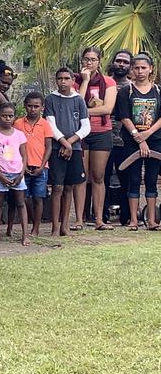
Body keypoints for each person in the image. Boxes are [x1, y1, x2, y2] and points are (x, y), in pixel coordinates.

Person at [114, 53, 161, 231]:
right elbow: (124, 116)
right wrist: (138, 137)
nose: (140, 71)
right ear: (131, 70)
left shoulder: (158, 91)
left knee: (151, 179)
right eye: (137, 68)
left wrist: (148, 133)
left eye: (144, 67)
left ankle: (151, 220)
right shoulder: (127, 91)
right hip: (131, 141)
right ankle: (134, 220)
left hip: (155, 140)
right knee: (133, 179)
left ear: (150, 69)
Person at [74, 46, 118, 230]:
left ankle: (99, 219)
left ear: (99, 61)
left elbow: (107, 109)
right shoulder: (75, 81)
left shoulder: (108, 82)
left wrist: (84, 112)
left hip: (101, 132)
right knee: (81, 176)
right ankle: (78, 219)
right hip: (81, 133)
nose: (89, 63)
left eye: (92, 59)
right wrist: (84, 80)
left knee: (98, 176)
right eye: (86, 59)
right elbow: (75, 103)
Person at [45, 67, 90, 236]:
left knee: (70, 187)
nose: (63, 82)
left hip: (75, 148)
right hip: (57, 148)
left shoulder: (78, 100)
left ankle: (64, 226)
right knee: (57, 187)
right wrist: (64, 142)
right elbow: (50, 124)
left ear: (73, 80)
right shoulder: (50, 99)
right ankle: (55, 226)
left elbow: (86, 126)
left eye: (66, 78)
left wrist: (70, 142)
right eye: (60, 78)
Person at [0, 103, 29, 244]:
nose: (7, 119)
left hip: (17, 173)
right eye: (4, 116)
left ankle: (25, 235)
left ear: (15, 117)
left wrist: (22, 173)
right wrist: (0, 176)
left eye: (10, 116)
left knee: (21, 203)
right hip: (0, 174)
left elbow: (24, 156)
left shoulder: (20, 135)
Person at [13, 93, 53, 238]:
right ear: (25, 106)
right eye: (30, 106)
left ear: (42, 107)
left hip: (40, 167)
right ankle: (26, 224)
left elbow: (48, 146)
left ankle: (36, 228)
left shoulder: (45, 124)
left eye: (36, 106)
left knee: (38, 198)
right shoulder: (17, 123)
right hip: (22, 166)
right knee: (23, 198)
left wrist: (43, 166)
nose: (33, 109)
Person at [106, 50, 134, 225]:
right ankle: (101, 214)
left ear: (129, 66)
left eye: (125, 62)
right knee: (103, 176)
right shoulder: (105, 83)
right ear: (113, 62)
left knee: (127, 177)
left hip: (126, 138)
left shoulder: (132, 87)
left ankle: (127, 215)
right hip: (104, 136)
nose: (121, 64)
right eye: (118, 61)